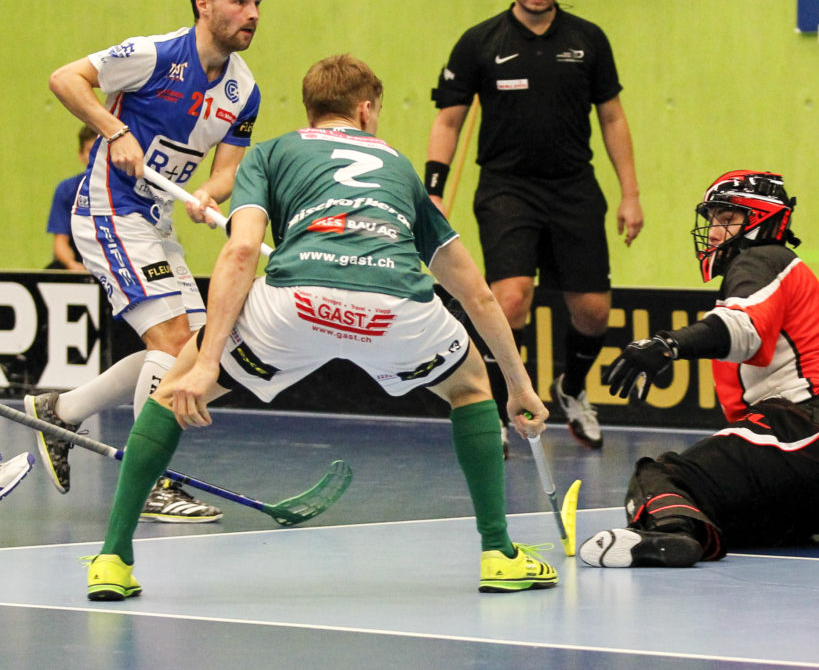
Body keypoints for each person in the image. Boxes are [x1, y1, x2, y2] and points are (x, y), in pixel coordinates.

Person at [84, 54, 556, 600]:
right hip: (395, 307)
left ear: (311, 112)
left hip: (294, 306)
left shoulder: (270, 153)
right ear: (364, 109)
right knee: (470, 384)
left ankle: (113, 560)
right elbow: (474, 291)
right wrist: (518, 387)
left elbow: (240, 253)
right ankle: (498, 554)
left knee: (171, 389)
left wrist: (208, 360)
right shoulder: (400, 167)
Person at [27, 0, 264, 523]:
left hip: (156, 221)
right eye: (240, 1)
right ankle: (151, 480)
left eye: (258, 3)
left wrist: (212, 192)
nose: (253, 13)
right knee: (172, 341)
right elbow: (65, 78)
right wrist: (115, 129)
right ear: (204, 5)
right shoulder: (155, 54)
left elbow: (229, 168)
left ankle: (61, 411)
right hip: (111, 212)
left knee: (196, 350)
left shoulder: (244, 91)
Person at [581, 170, 819, 567]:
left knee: (662, 478)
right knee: (715, 510)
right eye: (712, 219)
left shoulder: (762, 258)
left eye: (727, 219)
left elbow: (743, 329)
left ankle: (671, 536)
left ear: (760, 221)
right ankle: (694, 529)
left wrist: (667, 345)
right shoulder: (780, 273)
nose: (714, 232)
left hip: (809, 430)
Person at [427, 0, 643, 452]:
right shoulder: (481, 42)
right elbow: (448, 121)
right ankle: (508, 405)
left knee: (593, 311)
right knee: (511, 299)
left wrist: (630, 193)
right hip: (507, 189)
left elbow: (612, 117)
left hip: (574, 189)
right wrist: (432, 192)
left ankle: (571, 390)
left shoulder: (588, 40)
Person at [45, 125, 97, 270]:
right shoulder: (67, 190)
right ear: (81, 155)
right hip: (81, 262)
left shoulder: (126, 189)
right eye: (90, 151)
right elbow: (60, 242)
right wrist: (72, 265)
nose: (95, 157)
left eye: (101, 152)